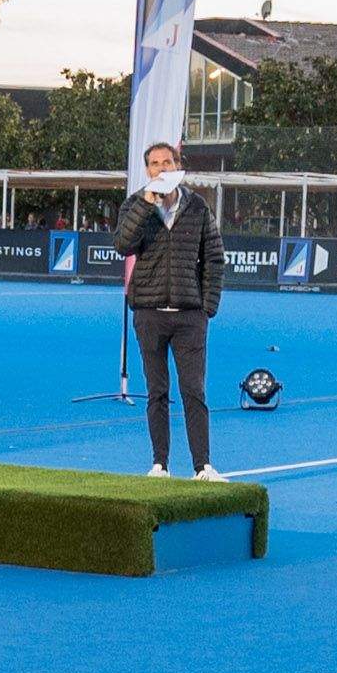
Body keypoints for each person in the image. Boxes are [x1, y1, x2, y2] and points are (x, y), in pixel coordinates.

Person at [112, 143, 224, 481]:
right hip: (149, 313)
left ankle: (202, 466)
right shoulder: (135, 204)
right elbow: (122, 245)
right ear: (147, 170)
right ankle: (159, 464)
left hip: (190, 316)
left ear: (177, 165)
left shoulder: (197, 206)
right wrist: (146, 205)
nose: (161, 168)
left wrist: (207, 307)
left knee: (194, 392)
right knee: (157, 392)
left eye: (167, 162)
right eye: (154, 163)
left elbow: (214, 258)